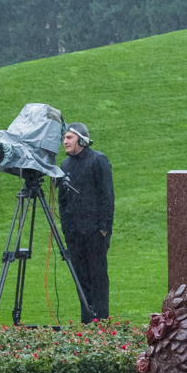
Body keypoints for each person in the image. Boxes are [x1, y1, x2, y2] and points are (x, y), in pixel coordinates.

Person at [57, 121, 114, 321]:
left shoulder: (98, 160)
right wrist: (66, 229)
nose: (64, 141)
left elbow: (107, 197)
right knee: (81, 279)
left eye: (69, 137)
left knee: (98, 278)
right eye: (64, 138)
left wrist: (104, 230)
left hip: (95, 233)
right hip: (75, 235)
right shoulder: (64, 165)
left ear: (81, 139)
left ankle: (102, 323)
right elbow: (62, 202)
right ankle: (87, 322)